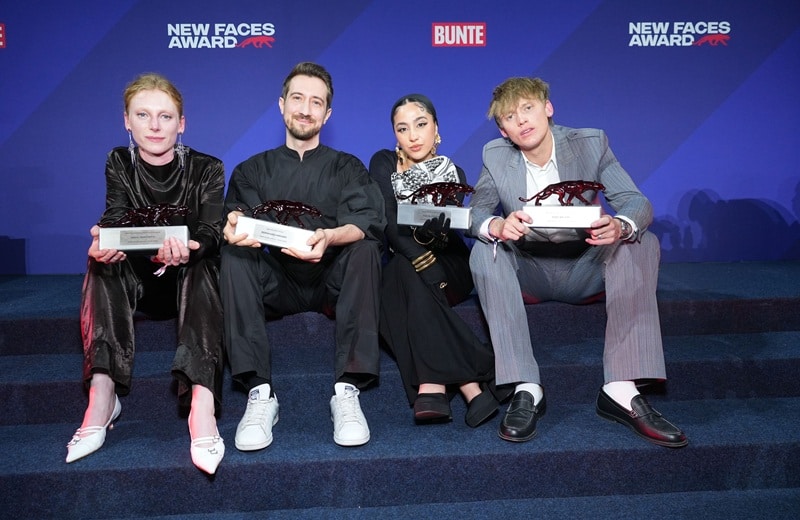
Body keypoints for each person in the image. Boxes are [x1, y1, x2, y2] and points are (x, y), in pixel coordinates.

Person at [468, 76, 687, 448]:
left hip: (585, 266)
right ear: (503, 131)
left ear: (548, 108)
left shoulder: (590, 143)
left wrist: (620, 225)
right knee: (484, 247)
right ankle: (525, 387)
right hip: (530, 270)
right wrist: (497, 225)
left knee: (640, 240)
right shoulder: (495, 155)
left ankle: (621, 388)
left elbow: (636, 201)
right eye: (509, 117)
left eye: (528, 108)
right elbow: (477, 212)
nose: (521, 120)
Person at [220, 62, 386, 449]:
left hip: (332, 279)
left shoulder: (347, 167)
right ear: (282, 105)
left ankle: (347, 390)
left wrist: (330, 236)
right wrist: (232, 228)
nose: (305, 109)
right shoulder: (251, 170)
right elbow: (236, 220)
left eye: (316, 102)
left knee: (365, 249)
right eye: (297, 98)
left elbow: (366, 221)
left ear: (327, 114)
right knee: (233, 255)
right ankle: (259, 392)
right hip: (276, 280)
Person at [67, 73, 227, 474]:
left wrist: (190, 247)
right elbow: (116, 216)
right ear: (127, 120)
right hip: (137, 279)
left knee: (203, 264)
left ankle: (202, 404)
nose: (154, 126)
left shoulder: (207, 167)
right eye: (143, 115)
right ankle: (102, 396)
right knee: (100, 262)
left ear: (181, 123)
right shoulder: (119, 161)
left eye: (165, 116)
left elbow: (212, 231)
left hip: (189, 281)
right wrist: (104, 240)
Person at [368, 94, 508, 426]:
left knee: (397, 281)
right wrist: (421, 258)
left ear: (436, 128)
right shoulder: (383, 163)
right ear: (395, 134)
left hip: (450, 264)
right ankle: (471, 383)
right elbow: (388, 221)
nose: (413, 136)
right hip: (409, 262)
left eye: (421, 124)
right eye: (402, 128)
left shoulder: (452, 171)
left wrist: (429, 247)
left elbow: (448, 229)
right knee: (401, 273)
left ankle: (433, 387)